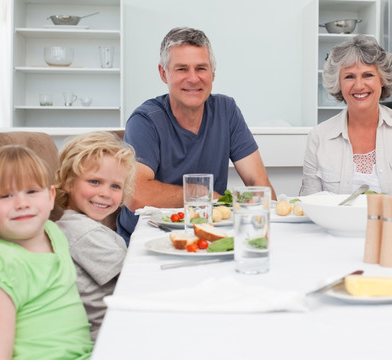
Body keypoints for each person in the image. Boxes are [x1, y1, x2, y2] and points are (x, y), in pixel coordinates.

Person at [117, 27, 275, 242]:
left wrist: (267, 232)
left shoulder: (226, 110)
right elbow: (136, 195)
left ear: (213, 73)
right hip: (148, 239)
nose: (193, 78)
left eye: (201, 68)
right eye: (182, 69)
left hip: (208, 235)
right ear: (164, 74)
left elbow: (259, 183)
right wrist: (203, 196)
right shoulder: (145, 120)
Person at [0, 145, 93, 359]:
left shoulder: (53, 232)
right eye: (5, 195)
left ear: (50, 198)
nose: (22, 203)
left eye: (32, 191)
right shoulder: (1, 262)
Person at [300, 34, 392, 197]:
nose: (359, 85)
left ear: (382, 79)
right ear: (338, 83)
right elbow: (309, 203)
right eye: (349, 76)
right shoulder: (318, 137)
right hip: (335, 224)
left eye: (368, 75)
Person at [54, 131, 136, 341]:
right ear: (68, 182)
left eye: (115, 186)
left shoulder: (78, 225)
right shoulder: (84, 233)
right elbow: (134, 281)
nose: (106, 193)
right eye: (95, 182)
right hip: (110, 333)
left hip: (118, 322)